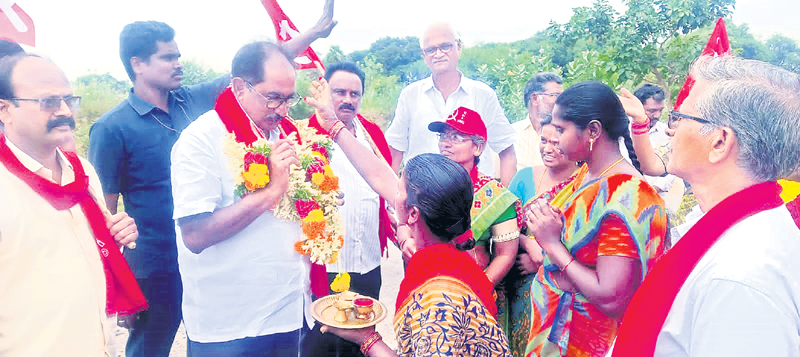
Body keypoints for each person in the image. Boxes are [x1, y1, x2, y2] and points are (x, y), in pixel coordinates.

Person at [87, 4, 335, 355]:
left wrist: (317, 198)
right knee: (150, 348)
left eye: (287, 99)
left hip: (282, 306)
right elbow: (106, 210)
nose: (178, 63)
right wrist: (116, 282)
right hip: (162, 264)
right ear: (137, 64)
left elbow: (263, 66)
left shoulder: (193, 101)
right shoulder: (119, 128)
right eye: (167, 57)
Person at [305, 72, 513, 357]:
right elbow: (379, 175)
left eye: (400, 190)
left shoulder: (440, 294)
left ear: (413, 213)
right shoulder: (445, 254)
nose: (393, 194)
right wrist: (335, 127)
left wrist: (367, 339)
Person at [612, 56, 800, 357]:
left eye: (681, 117)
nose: (671, 130)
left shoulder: (740, 277)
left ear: (719, 143)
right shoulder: (727, 227)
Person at [170, 41, 315, 356]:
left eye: (289, 98)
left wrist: (320, 199)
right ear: (238, 87)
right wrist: (271, 192)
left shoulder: (285, 135)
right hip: (229, 324)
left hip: (288, 311)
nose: (282, 109)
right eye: (273, 97)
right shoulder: (201, 140)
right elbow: (195, 235)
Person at [0, 54, 142, 356]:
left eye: (68, 100)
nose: (64, 111)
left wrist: (112, 238)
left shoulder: (84, 173)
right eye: (48, 102)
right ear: (5, 110)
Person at [523, 81, 667, 357]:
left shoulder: (626, 195)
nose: (554, 137)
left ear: (592, 131)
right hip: (560, 333)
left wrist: (552, 245)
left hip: (586, 343)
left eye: (562, 130)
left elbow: (611, 297)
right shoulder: (588, 174)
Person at [303, 61, 393, 357]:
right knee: (320, 346)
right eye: (339, 92)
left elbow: (384, 184)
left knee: (363, 343)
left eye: (355, 94)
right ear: (324, 92)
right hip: (324, 266)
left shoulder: (372, 135)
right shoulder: (304, 136)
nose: (347, 99)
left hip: (367, 261)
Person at [384, 22, 518, 186]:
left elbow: (506, 150)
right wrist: (392, 202)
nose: (438, 54)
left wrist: (505, 202)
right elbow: (395, 152)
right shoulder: (410, 95)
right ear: (423, 55)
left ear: (459, 47)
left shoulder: (483, 95)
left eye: (445, 46)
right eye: (431, 50)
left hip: (474, 200)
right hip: (423, 198)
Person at [505, 114, 578, 356]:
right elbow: (503, 224)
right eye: (543, 140)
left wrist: (542, 259)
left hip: (561, 284)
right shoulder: (524, 177)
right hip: (519, 281)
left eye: (556, 143)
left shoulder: (584, 185)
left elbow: (580, 242)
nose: (547, 148)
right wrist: (528, 242)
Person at [632, 84, 679, 199]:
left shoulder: (666, 133)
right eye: (652, 111)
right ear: (637, 107)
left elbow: (674, 166)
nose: (657, 115)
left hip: (657, 199)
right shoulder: (621, 131)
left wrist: (655, 188)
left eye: (660, 110)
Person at [512, 72, 563, 171]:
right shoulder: (510, 135)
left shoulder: (566, 134)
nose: (561, 101)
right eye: (556, 95)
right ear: (535, 99)